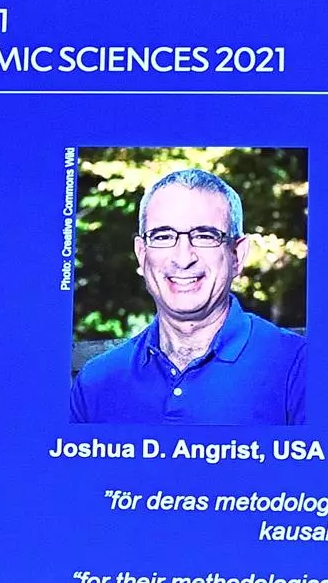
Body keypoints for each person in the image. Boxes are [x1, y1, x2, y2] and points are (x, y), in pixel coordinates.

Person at [71, 168, 305, 425]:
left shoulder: (298, 367)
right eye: (163, 236)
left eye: (205, 236)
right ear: (141, 254)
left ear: (237, 255)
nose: (183, 259)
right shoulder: (96, 383)